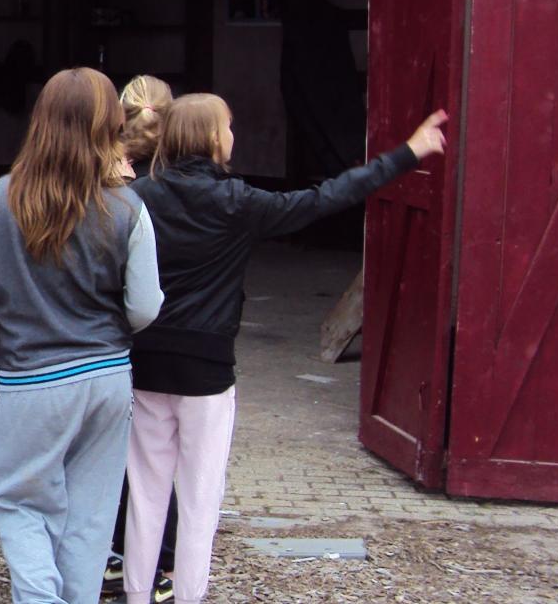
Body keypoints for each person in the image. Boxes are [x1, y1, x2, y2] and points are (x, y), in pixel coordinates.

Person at [124, 95, 448, 604]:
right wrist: (406, 153)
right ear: (212, 138)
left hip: (145, 362)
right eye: (229, 125)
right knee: (199, 496)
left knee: (145, 492)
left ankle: (137, 595)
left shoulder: (137, 198)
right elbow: (324, 199)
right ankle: (188, 596)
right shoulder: (238, 201)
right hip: (207, 369)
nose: (234, 134)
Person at [0, 68, 165, 604]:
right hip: (106, 377)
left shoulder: (1, 198)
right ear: (109, 126)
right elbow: (146, 307)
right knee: (92, 515)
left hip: (28, 378)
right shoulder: (128, 208)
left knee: (18, 502)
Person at [104, 74, 179, 602]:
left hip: (119, 337)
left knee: (118, 457)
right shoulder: (185, 183)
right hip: (170, 333)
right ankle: (166, 561)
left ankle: (120, 552)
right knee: (163, 462)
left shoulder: (114, 189)